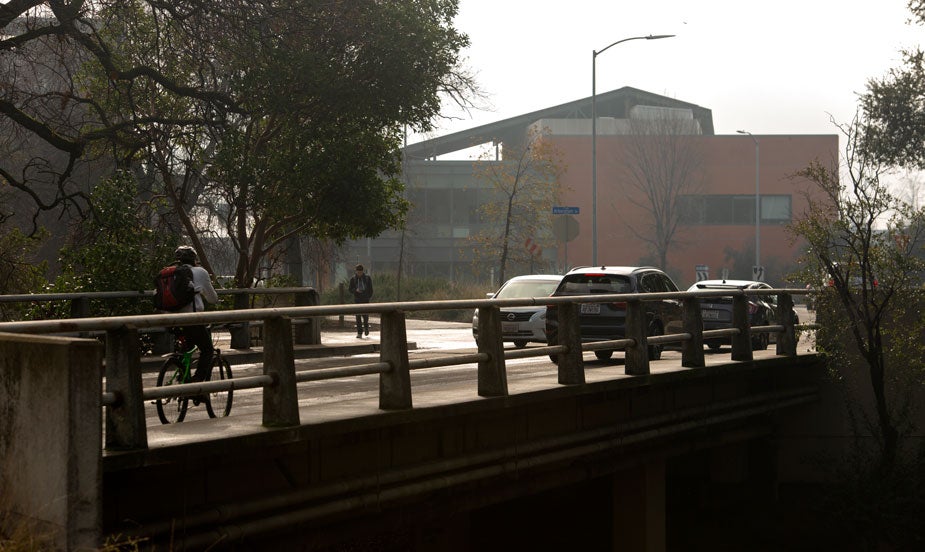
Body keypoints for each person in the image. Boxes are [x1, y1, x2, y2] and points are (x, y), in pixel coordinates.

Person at [172, 245, 219, 386]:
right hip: (192, 319)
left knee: (186, 349)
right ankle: (197, 384)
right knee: (207, 350)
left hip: (170, 319)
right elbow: (212, 299)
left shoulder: (171, 272)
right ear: (194, 259)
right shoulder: (200, 272)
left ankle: (182, 379)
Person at [348, 264, 373, 338]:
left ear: (362, 271)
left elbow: (371, 289)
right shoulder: (353, 279)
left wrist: (368, 296)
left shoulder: (367, 278)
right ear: (356, 271)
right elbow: (350, 289)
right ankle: (359, 332)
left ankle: (366, 327)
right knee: (358, 317)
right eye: (358, 272)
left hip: (365, 299)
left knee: (365, 316)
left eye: (360, 272)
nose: (359, 274)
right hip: (357, 300)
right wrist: (355, 290)